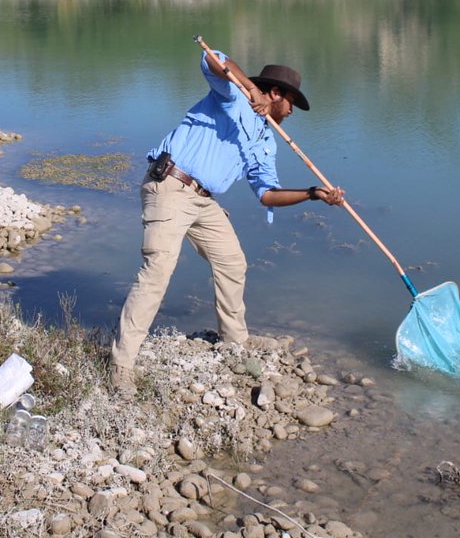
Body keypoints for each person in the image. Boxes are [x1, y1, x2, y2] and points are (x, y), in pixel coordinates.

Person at [110, 47, 344, 393]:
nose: (292, 111)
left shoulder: (268, 139)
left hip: (204, 201)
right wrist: (249, 88)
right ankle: (121, 365)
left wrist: (312, 193)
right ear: (275, 94)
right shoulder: (232, 94)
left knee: (233, 263)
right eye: (291, 102)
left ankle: (235, 342)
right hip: (171, 186)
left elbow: (266, 194)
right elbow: (212, 59)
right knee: (158, 270)